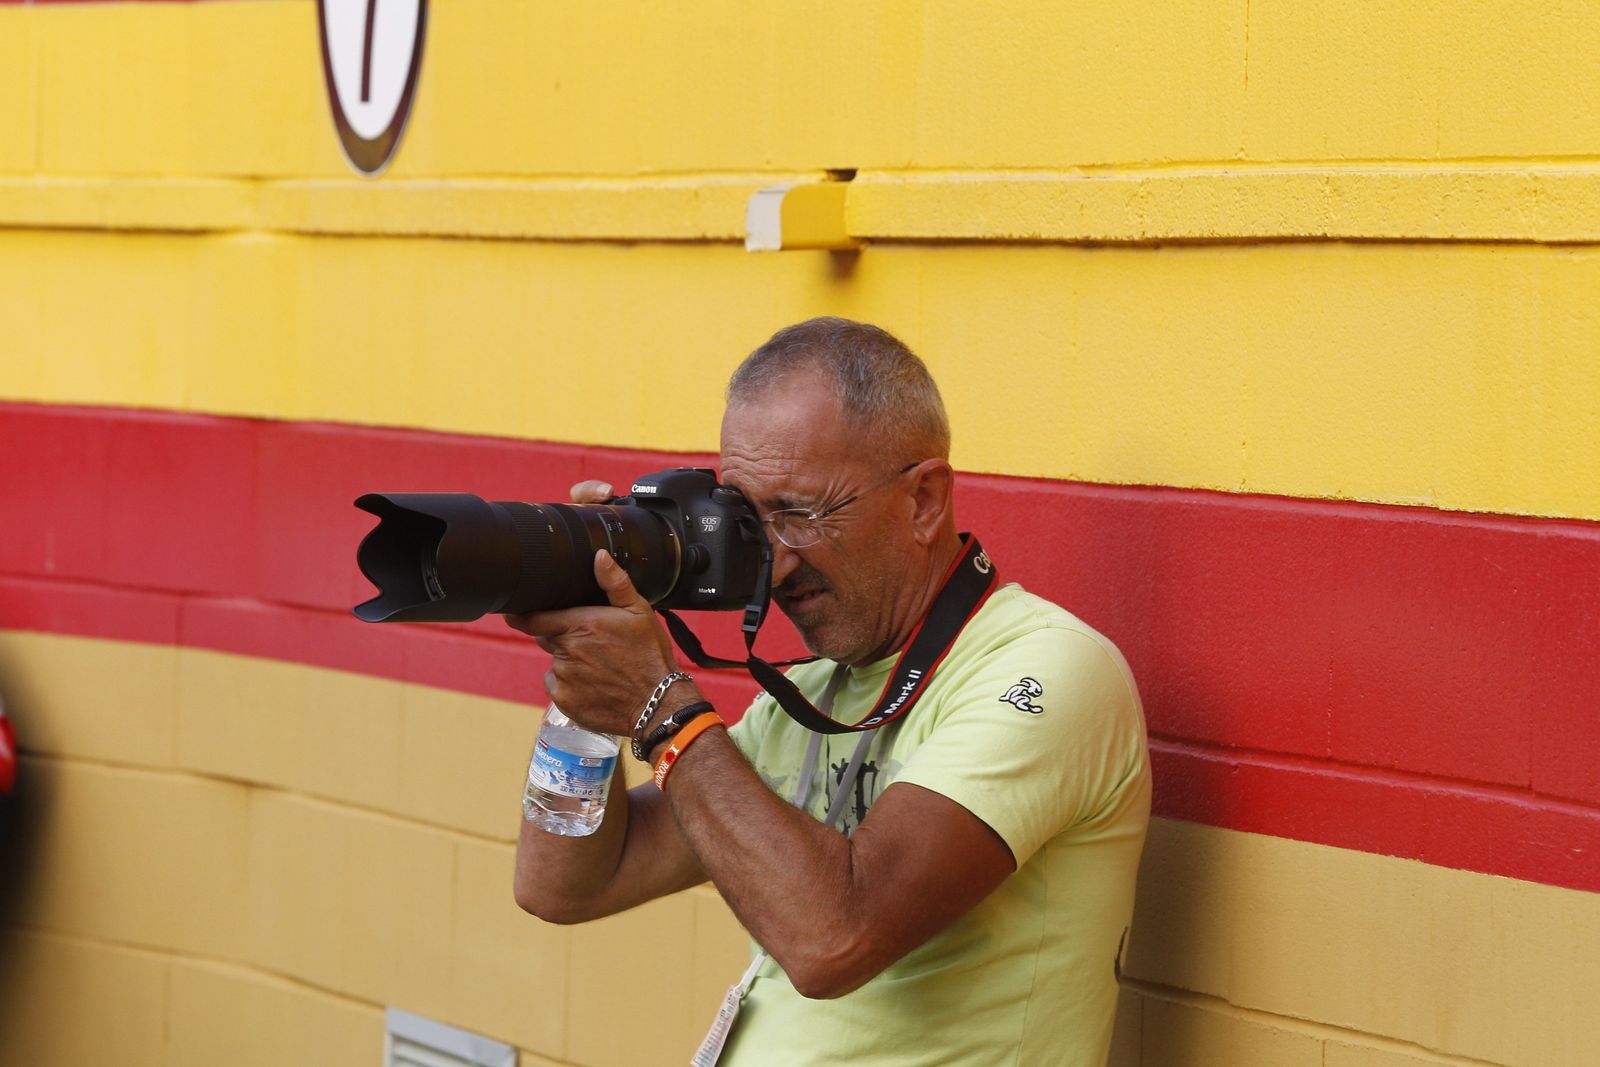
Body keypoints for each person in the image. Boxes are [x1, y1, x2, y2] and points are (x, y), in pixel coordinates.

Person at [507, 317, 1151, 1066]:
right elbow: (565, 884)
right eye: (751, 519)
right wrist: (586, 686)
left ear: (924, 500)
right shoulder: (809, 695)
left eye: (801, 513)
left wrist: (662, 708)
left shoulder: (1046, 671)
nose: (775, 565)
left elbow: (835, 938)